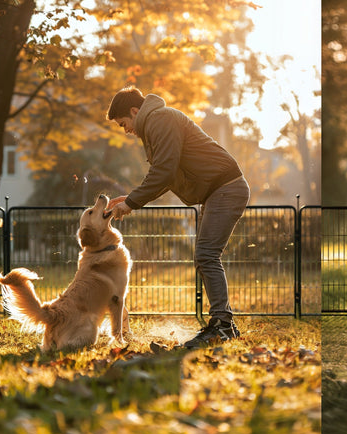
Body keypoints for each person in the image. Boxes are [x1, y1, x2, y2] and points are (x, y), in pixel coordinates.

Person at [104, 86, 250, 349]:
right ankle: (224, 323)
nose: (125, 130)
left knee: (207, 255)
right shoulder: (155, 124)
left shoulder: (161, 119)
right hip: (217, 190)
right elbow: (164, 174)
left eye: (124, 123)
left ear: (135, 111)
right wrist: (129, 198)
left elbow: (164, 171)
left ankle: (223, 325)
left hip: (225, 188)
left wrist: (132, 202)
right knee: (205, 256)